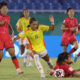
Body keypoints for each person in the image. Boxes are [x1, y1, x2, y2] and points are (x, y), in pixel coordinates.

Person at [0, 1, 24, 74]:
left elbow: (8, 24)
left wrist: (12, 31)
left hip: (7, 37)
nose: (5, 10)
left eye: (6, 8)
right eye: (3, 8)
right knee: (0, 56)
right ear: (0, 9)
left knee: (12, 53)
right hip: (0, 38)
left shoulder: (8, 17)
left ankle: (18, 69)